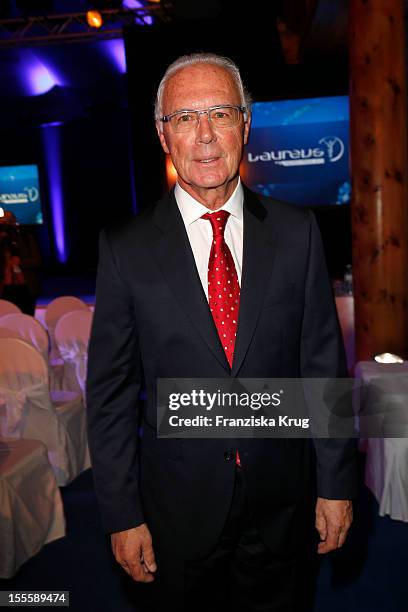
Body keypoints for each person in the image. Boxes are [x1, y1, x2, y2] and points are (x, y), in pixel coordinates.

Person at [86, 53, 357, 611]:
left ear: (246, 124)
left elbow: (323, 371)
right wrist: (122, 512)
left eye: (220, 113)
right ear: (163, 135)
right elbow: (110, 397)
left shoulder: (298, 233)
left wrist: (336, 483)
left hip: (284, 504)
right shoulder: (124, 249)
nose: (205, 135)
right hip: (175, 515)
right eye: (184, 118)